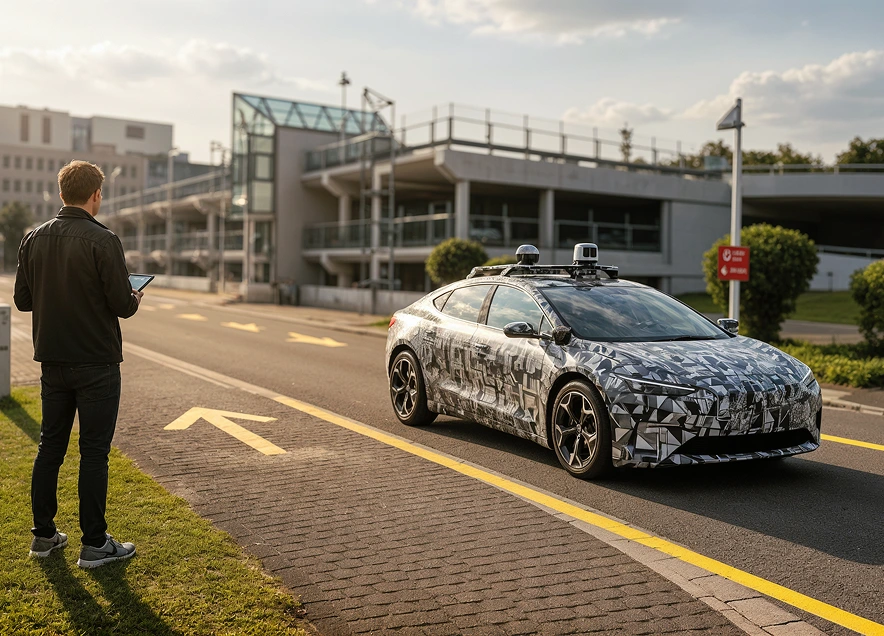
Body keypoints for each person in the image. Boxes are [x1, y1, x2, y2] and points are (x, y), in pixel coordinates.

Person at [14, 160, 142, 568]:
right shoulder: (104, 240)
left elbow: (23, 301)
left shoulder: (33, 238)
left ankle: (44, 536)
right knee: (94, 453)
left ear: (61, 193)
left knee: (49, 447)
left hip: (52, 360)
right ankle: (94, 543)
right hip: (96, 363)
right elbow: (122, 305)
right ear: (96, 195)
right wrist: (135, 296)